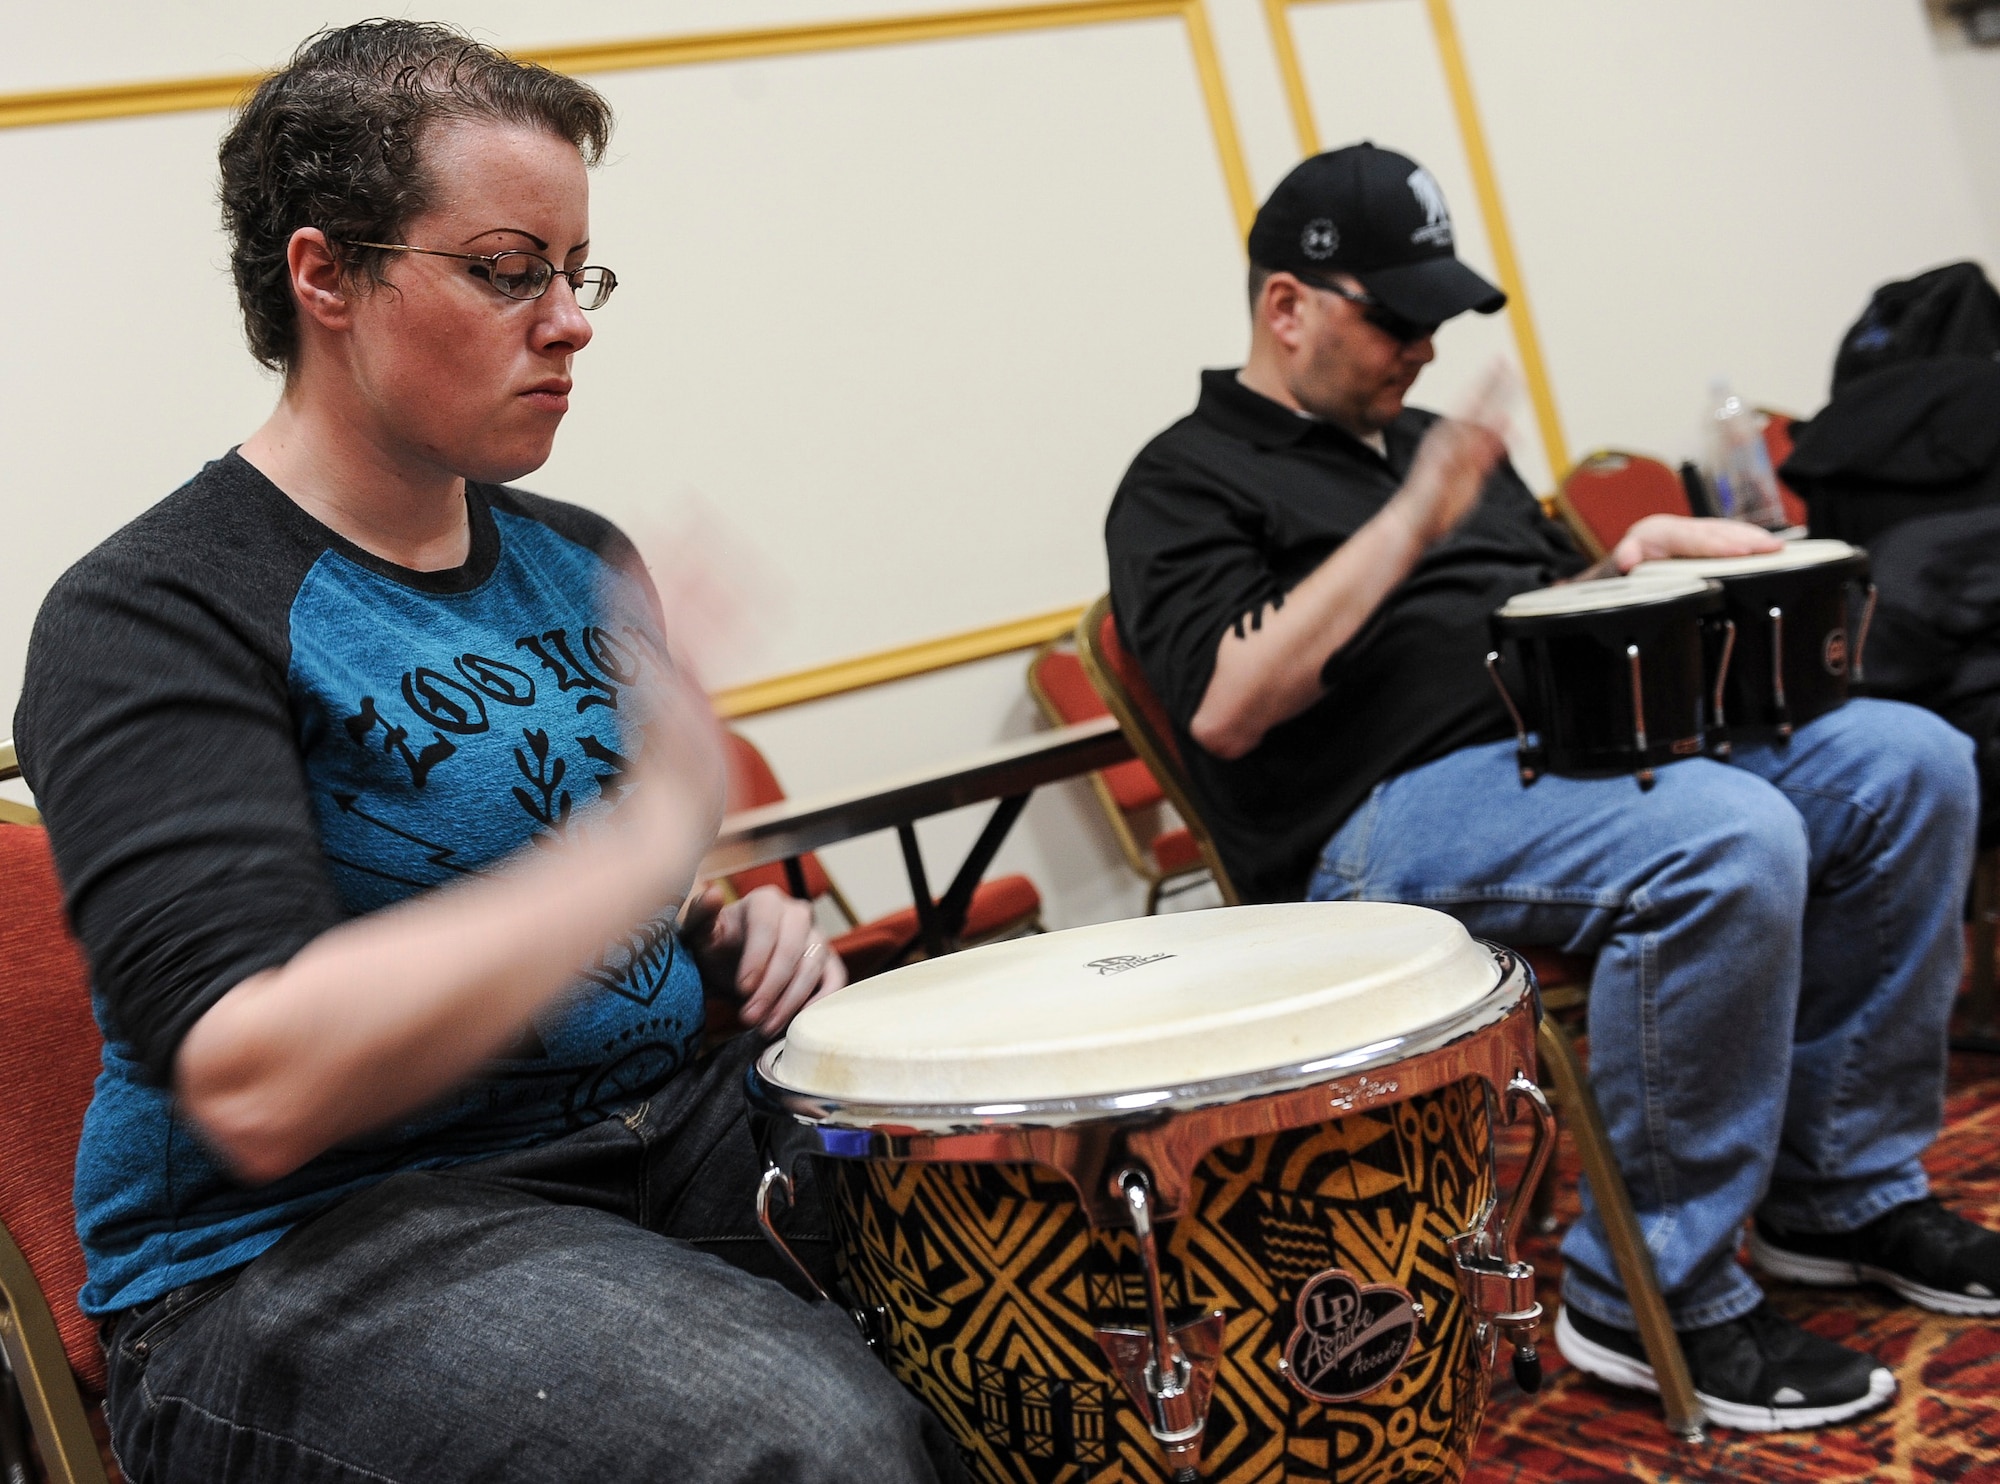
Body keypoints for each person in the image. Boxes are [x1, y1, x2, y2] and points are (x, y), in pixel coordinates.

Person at [13, 22, 960, 1483]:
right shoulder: (153, 608)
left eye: (578, 274)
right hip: (305, 1253)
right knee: (806, 1442)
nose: (569, 320)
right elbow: (260, 1074)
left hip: (649, 1131)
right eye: (509, 269)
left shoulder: (582, 559)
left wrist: (721, 935)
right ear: (324, 275)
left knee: (1039, 1228)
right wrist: (639, 848)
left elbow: (550, 896)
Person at [1105, 142, 1999, 1432]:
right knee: (1725, 836)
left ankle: (1843, 1197)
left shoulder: (1430, 443)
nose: (1418, 350)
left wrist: (1634, 560)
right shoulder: (1182, 477)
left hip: (1570, 756)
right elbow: (1228, 710)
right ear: (1284, 306)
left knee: (1911, 759)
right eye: (1393, 317)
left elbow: (1539, 622)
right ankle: (1652, 1297)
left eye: (1436, 321)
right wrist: (1413, 515)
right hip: (1377, 825)